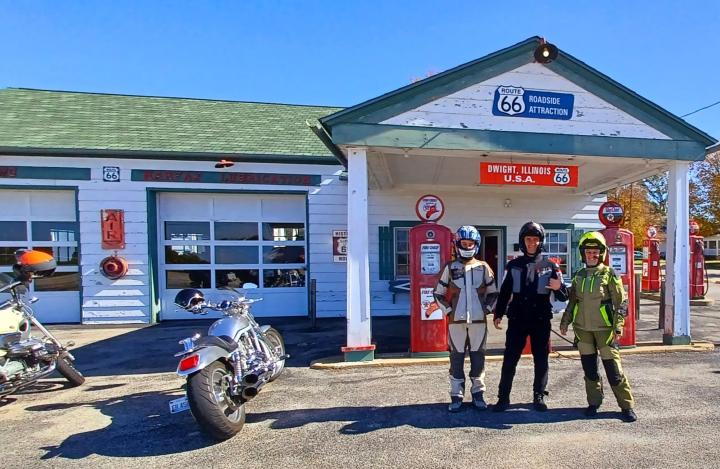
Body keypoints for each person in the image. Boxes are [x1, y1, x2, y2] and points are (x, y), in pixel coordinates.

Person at [559, 232, 637, 422]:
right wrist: (565, 322)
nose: (591, 255)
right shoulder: (578, 276)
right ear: (583, 254)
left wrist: (618, 326)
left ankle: (626, 406)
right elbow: (572, 302)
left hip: (605, 331)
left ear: (601, 253)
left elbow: (622, 302)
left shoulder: (609, 274)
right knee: (590, 370)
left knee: (614, 371)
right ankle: (594, 402)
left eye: (595, 252)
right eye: (588, 252)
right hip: (583, 330)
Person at [492, 221, 567, 412]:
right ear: (522, 241)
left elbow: (563, 295)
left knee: (541, 359)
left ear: (541, 241)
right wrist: (498, 313)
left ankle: (539, 395)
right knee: (510, 359)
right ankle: (503, 398)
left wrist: (560, 288)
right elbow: (504, 291)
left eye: (535, 239)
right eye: (528, 239)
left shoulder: (551, 265)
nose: (531, 243)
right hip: (517, 319)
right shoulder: (513, 265)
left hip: (541, 319)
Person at [434, 226, 498, 412]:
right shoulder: (450, 267)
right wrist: (447, 311)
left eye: (471, 244)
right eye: (464, 243)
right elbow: (438, 293)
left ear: (476, 245)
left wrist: (486, 309)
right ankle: (456, 395)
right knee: (456, 358)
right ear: (457, 244)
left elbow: (493, 292)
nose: (467, 246)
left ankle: (478, 394)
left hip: (478, 322)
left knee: (478, 358)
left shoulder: (483, 267)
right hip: (456, 323)